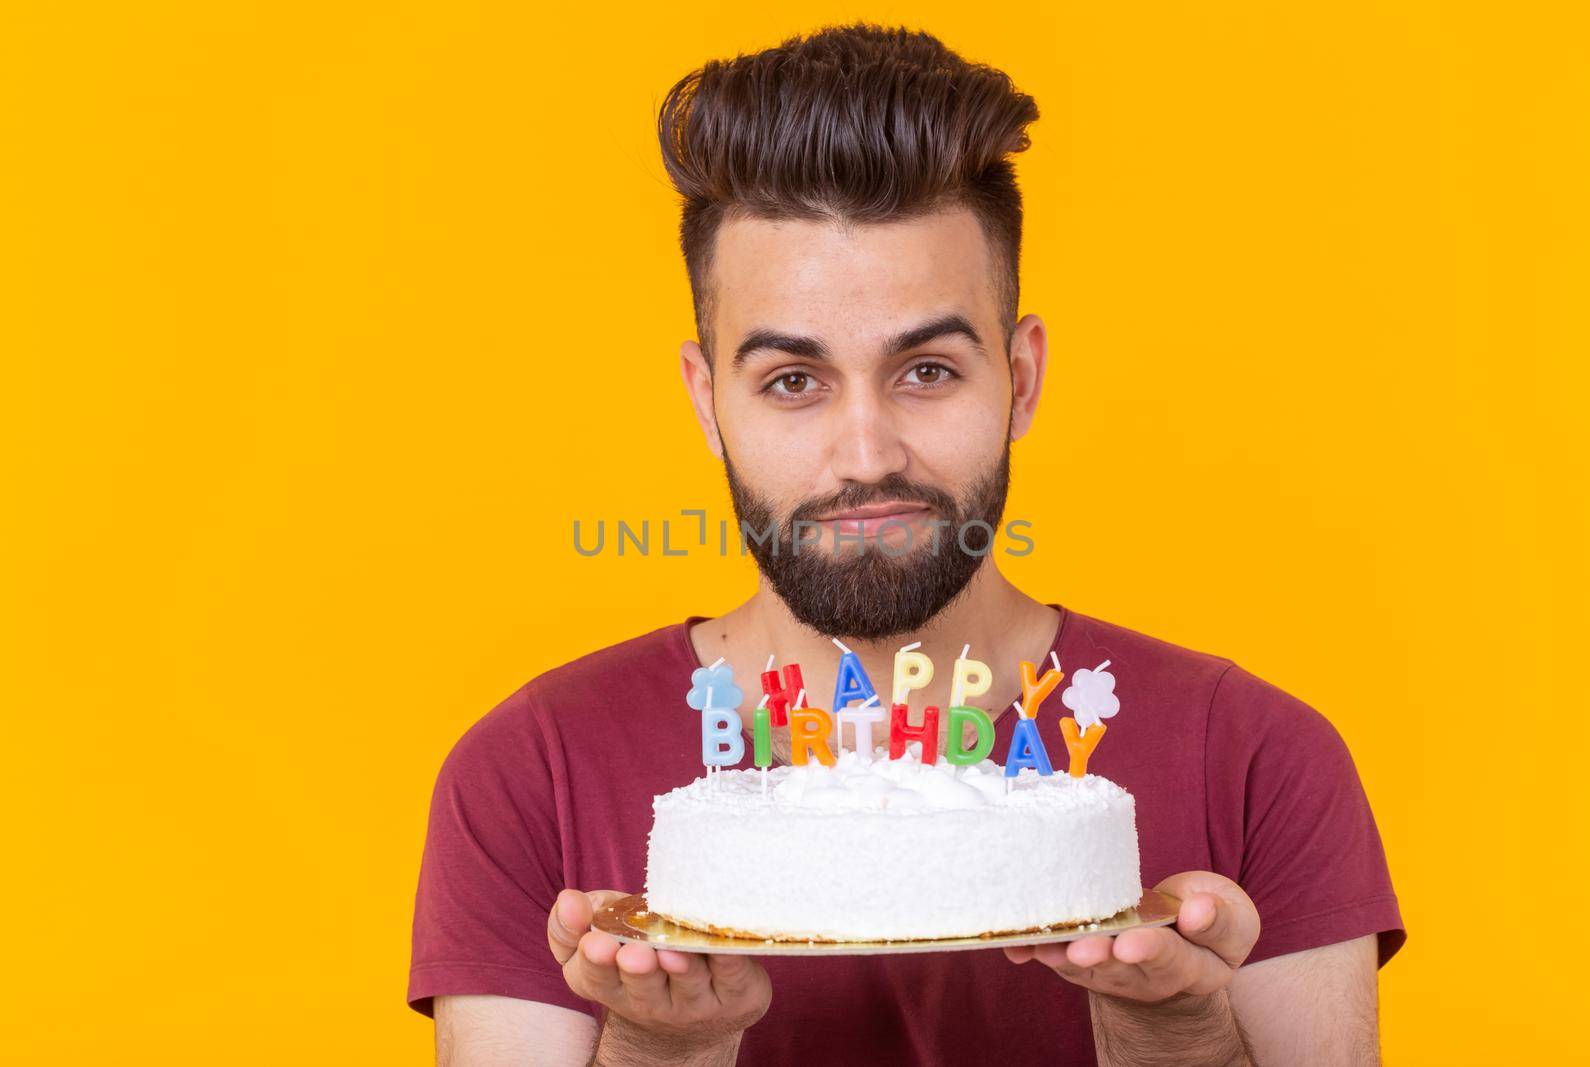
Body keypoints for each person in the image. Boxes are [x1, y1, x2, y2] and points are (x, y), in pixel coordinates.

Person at [408, 22, 1404, 1066]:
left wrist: (1175, 1030)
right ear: (707, 403)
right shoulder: (530, 774)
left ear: (1019, 378)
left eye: (926, 368)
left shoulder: (1257, 760)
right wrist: (663, 1050)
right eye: (792, 380)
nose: (865, 450)